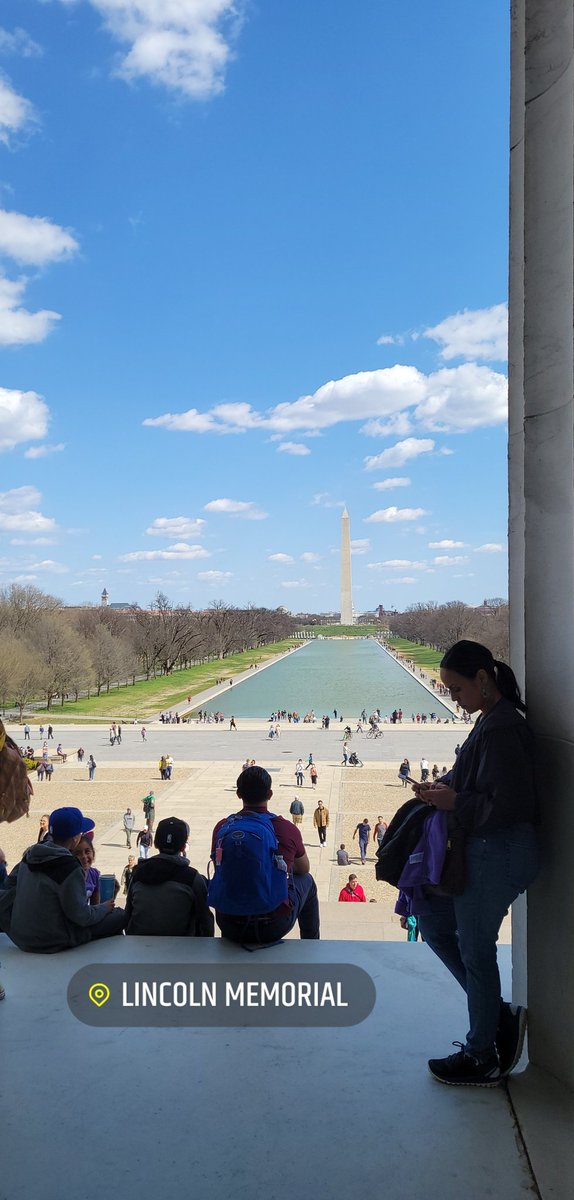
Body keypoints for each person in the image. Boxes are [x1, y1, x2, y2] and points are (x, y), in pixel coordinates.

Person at [413, 640, 540, 1087]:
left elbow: (510, 806)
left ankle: (481, 1054)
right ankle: (497, 1016)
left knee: (475, 950)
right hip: (484, 848)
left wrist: (454, 802)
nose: (453, 698)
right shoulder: (491, 720)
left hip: (499, 850)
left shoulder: (503, 728)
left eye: (457, 689)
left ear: (482, 679)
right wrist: (441, 787)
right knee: (433, 923)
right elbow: (478, 780)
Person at [209, 766, 319, 944]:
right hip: (273, 925)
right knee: (308, 880)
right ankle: (311, 944)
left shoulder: (222, 827)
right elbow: (303, 868)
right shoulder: (285, 828)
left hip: (228, 923)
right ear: (270, 794)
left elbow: (219, 867)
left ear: (238, 794)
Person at [0, 806, 125, 952]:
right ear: (75, 839)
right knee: (119, 915)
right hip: (50, 940)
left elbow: (8, 884)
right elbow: (81, 916)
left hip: (20, 936)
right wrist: (104, 908)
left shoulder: (31, 855)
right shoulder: (69, 867)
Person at [125, 817, 213, 937]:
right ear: (183, 847)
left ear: (155, 844)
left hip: (140, 942)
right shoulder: (192, 878)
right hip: (181, 944)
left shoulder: (138, 873)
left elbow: (128, 914)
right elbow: (206, 921)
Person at [74, 836, 101, 905]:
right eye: (78, 853)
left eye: (87, 852)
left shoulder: (94, 875)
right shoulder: (68, 877)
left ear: (93, 854)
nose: (84, 856)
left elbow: (95, 906)